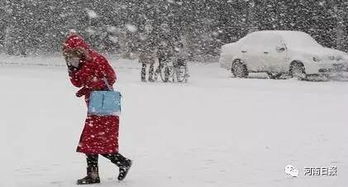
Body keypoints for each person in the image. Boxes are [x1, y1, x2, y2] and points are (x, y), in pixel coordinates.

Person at [62, 33, 132, 185]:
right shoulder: (77, 62)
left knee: (93, 141)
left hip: (105, 105)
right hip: (94, 107)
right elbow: (77, 83)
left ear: (80, 49)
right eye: (68, 53)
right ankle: (118, 164)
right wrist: (72, 69)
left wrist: (92, 85)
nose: (71, 55)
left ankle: (106, 170)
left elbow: (111, 77)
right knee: (94, 142)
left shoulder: (96, 59)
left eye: (73, 52)